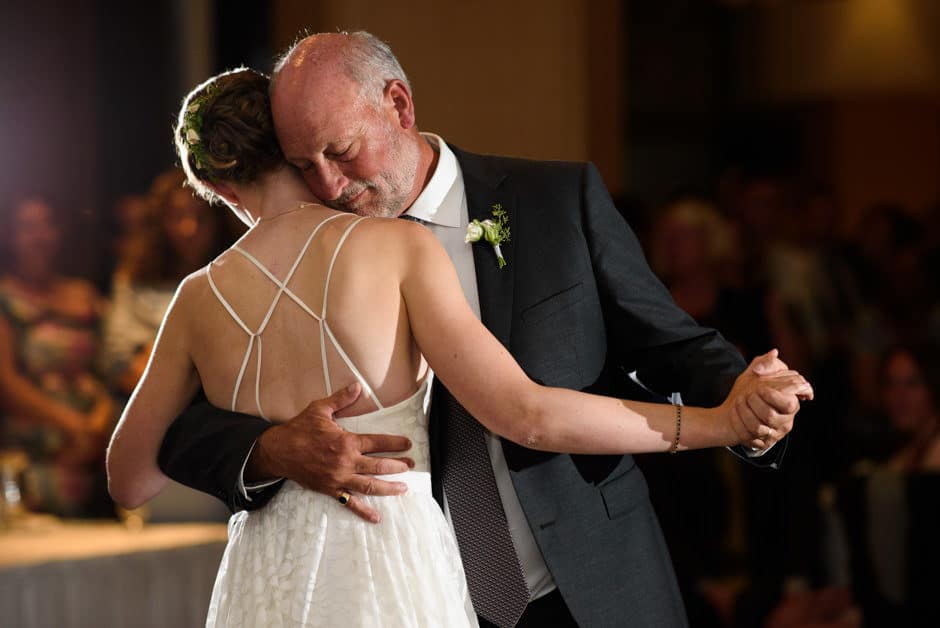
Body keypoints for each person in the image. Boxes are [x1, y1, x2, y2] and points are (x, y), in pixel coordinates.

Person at [153, 33, 806, 628]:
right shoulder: (303, 262)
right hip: (432, 594)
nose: (328, 182)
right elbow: (177, 430)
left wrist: (745, 404)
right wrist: (269, 449)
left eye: (342, 151)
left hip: (595, 583)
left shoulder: (555, 202)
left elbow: (666, 342)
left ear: (399, 106)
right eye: (305, 164)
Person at [0, 197, 114, 516]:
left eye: (46, 224)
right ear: (10, 236)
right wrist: (71, 424)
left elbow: (111, 368)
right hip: (38, 452)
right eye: (27, 227)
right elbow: (6, 383)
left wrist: (99, 423)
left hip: (98, 447)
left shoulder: (84, 295)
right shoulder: (5, 298)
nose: (39, 236)